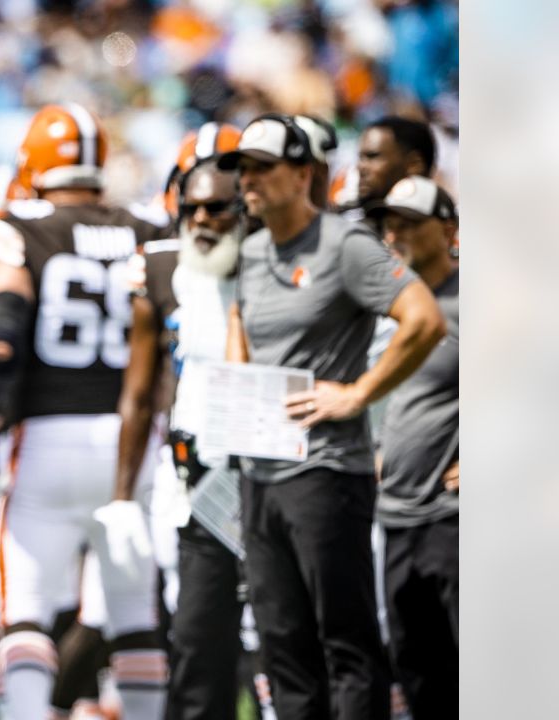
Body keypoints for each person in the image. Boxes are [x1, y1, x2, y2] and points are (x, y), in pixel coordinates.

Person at [217, 114, 446, 720]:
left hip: (325, 472)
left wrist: (357, 394)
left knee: (345, 643)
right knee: (283, 646)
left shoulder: (345, 244)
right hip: (260, 473)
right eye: (243, 169)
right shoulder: (254, 247)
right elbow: (245, 334)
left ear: (302, 174)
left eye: (262, 168)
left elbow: (423, 318)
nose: (248, 181)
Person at [0, 103, 167, 720]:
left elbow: (3, 340)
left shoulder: (16, 224)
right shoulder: (149, 227)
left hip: (46, 437)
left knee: (24, 609)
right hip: (134, 441)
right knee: (134, 610)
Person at [120, 123, 259, 720]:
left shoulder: (286, 261)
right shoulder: (162, 267)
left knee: (270, 633)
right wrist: (122, 495)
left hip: (267, 467)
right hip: (189, 470)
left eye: (218, 204)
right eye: (192, 202)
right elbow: (140, 389)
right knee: (194, 629)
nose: (201, 218)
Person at [369, 177, 459, 720]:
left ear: (449, 230)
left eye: (410, 222)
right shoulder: (381, 303)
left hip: (457, 520)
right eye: (389, 223)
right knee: (418, 674)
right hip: (392, 516)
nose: (395, 233)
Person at [355, 117, 437, 214]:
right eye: (361, 158)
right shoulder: (346, 221)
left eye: (373, 156)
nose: (360, 167)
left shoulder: (448, 224)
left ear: (414, 164)